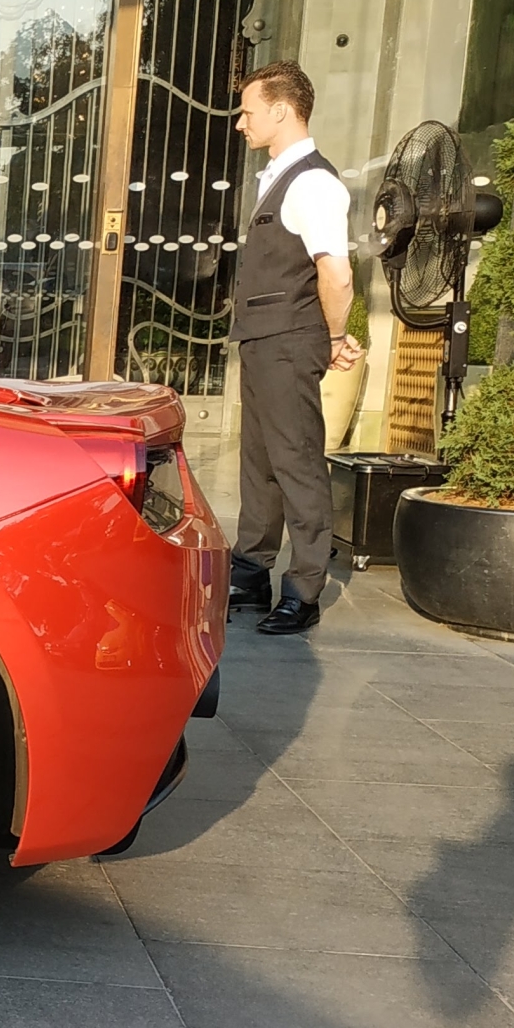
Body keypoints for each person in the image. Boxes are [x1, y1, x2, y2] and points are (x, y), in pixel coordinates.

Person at [226, 59, 363, 636]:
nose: (240, 123)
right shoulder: (279, 176)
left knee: (297, 463)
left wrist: (332, 337)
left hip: (289, 341)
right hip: (264, 339)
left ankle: (304, 587)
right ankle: (252, 570)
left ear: (281, 111)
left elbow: (337, 274)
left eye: (248, 110)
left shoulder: (312, 182)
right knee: (258, 465)